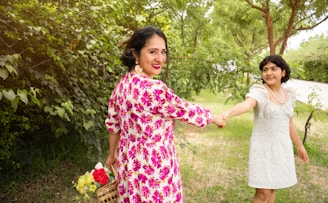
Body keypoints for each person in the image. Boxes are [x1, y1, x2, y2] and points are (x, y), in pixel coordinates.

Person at [105, 26, 225, 203]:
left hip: (128, 163)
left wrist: (112, 154)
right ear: (136, 54)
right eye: (152, 52)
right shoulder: (154, 89)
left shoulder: (122, 84)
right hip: (154, 167)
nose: (160, 59)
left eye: (163, 52)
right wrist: (214, 117)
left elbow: (113, 124)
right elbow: (185, 110)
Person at [220, 55, 309, 203]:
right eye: (265, 70)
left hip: (282, 148)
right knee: (263, 193)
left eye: (274, 69)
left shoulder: (289, 94)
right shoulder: (260, 91)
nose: (269, 73)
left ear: (283, 72)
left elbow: (289, 123)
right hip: (263, 148)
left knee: (272, 188)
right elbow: (247, 104)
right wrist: (227, 114)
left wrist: (299, 146)